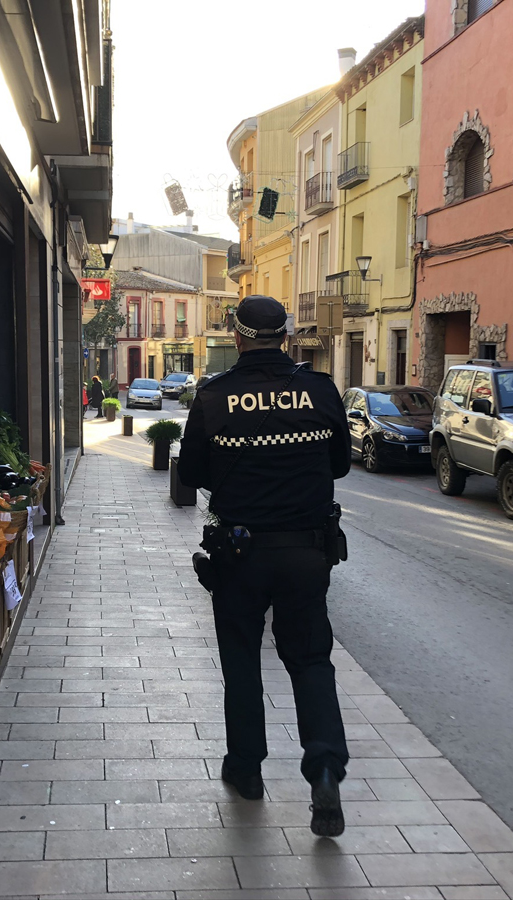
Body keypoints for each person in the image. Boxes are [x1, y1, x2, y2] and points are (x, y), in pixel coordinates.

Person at [178, 294, 351, 837]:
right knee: (311, 661)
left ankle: (247, 771)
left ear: (237, 335)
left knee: (242, 661)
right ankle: (323, 766)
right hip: (306, 552)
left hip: (240, 553)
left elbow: (191, 472)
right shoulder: (321, 391)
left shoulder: (214, 396)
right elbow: (341, 465)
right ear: (285, 334)